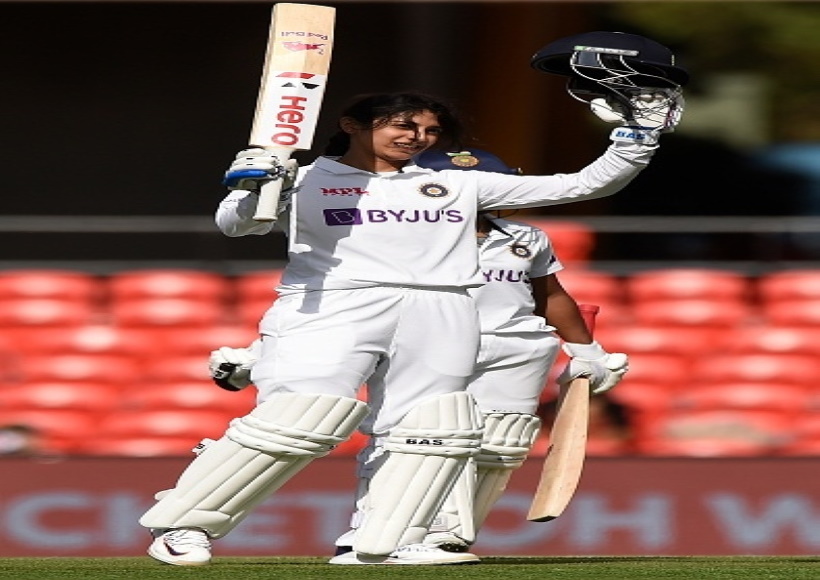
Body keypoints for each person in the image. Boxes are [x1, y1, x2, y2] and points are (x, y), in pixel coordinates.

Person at [139, 33, 685, 567]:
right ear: (354, 125)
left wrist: (639, 136)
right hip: (336, 304)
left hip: (441, 309)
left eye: (429, 130)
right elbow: (237, 225)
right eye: (403, 125)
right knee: (300, 418)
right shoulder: (303, 179)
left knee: (430, 430)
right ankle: (183, 525)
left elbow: (584, 184)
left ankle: (384, 541)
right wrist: (253, 186)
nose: (417, 137)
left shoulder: (458, 185)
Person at [208, 148, 630, 561]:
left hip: (514, 347)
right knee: (419, 438)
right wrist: (260, 353)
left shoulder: (526, 237)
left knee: (499, 446)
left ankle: (446, 536)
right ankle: (373, 532)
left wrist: (587, 351)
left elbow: (550, 295)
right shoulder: (393, 235)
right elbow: (343, 304)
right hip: (433, 341)